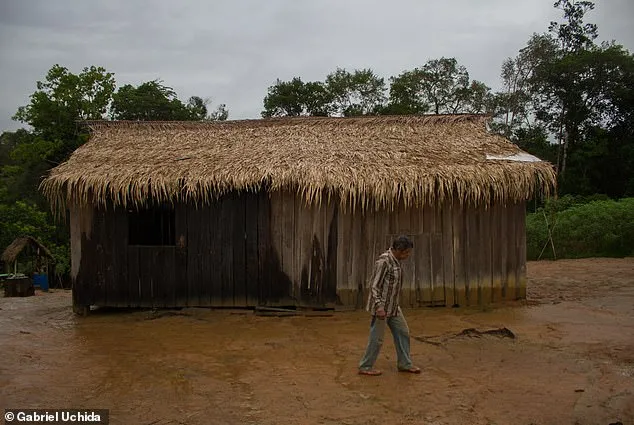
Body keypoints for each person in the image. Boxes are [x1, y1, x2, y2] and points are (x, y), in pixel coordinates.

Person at [358, 235, 420, 376]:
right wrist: (379, 306)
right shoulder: (384, 262)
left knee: (403, 332)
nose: (408, 255)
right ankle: (365, 366)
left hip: (393, 306)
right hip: (381, 307)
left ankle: (405, 363)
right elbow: (374, 286)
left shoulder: (396, 261)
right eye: (406, 252)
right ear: (398, 249)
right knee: (377, 338)